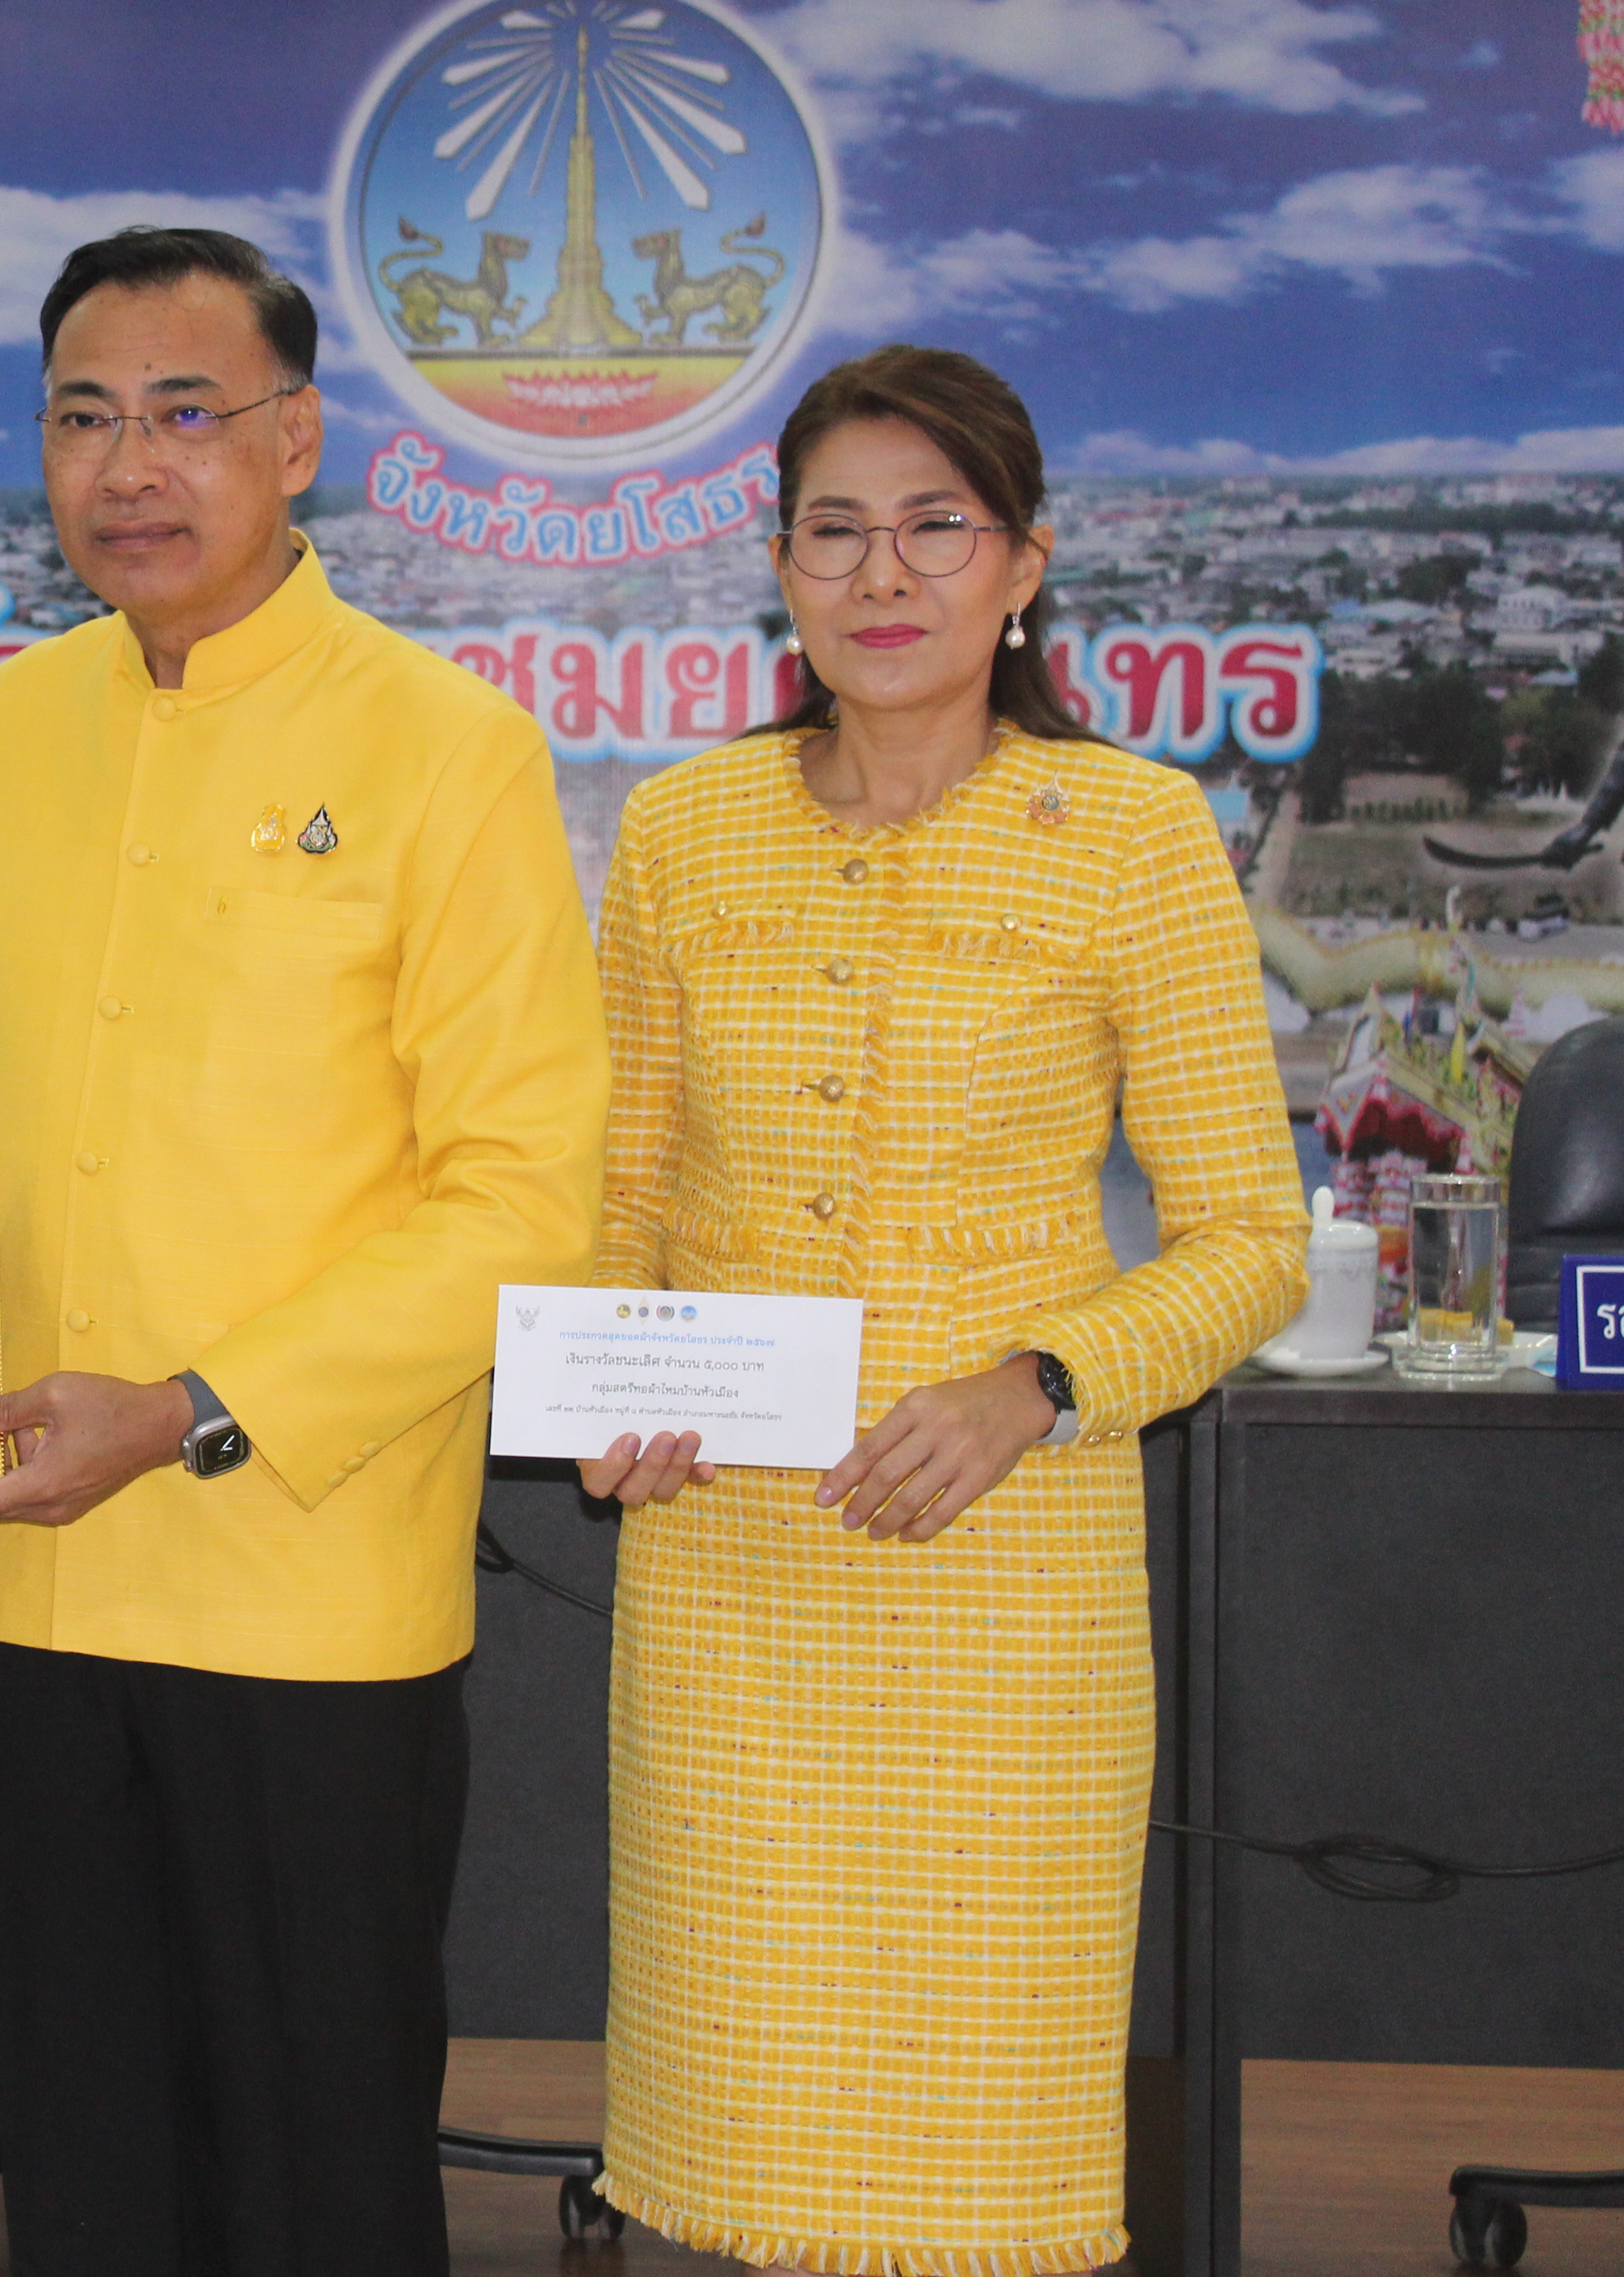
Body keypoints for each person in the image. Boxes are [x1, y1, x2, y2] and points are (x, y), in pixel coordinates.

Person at [0, 226, 609, 2275]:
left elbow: (517, 1195)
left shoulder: (446, 748)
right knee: (89, 2146)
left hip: (306, 1587)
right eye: (86, 419)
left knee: (315, 2161)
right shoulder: (7, 728)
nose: (134, 466)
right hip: (29, 1568)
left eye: (188, 416)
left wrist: (194, 1410)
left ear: (299, 442)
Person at [577, 345, 1306, 2275]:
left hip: (1008, 1567)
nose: (883, 575)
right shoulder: (682, 832)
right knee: (725, 2141)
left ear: (1022, 567)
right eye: (837, 531)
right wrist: (605, 1386)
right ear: (782, 568)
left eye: (934, 528)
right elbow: (622, 1191)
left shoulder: (1136, 834)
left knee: (978, 2162)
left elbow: (1249, 1236)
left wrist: (1038, 1388)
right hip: (729, 1566)